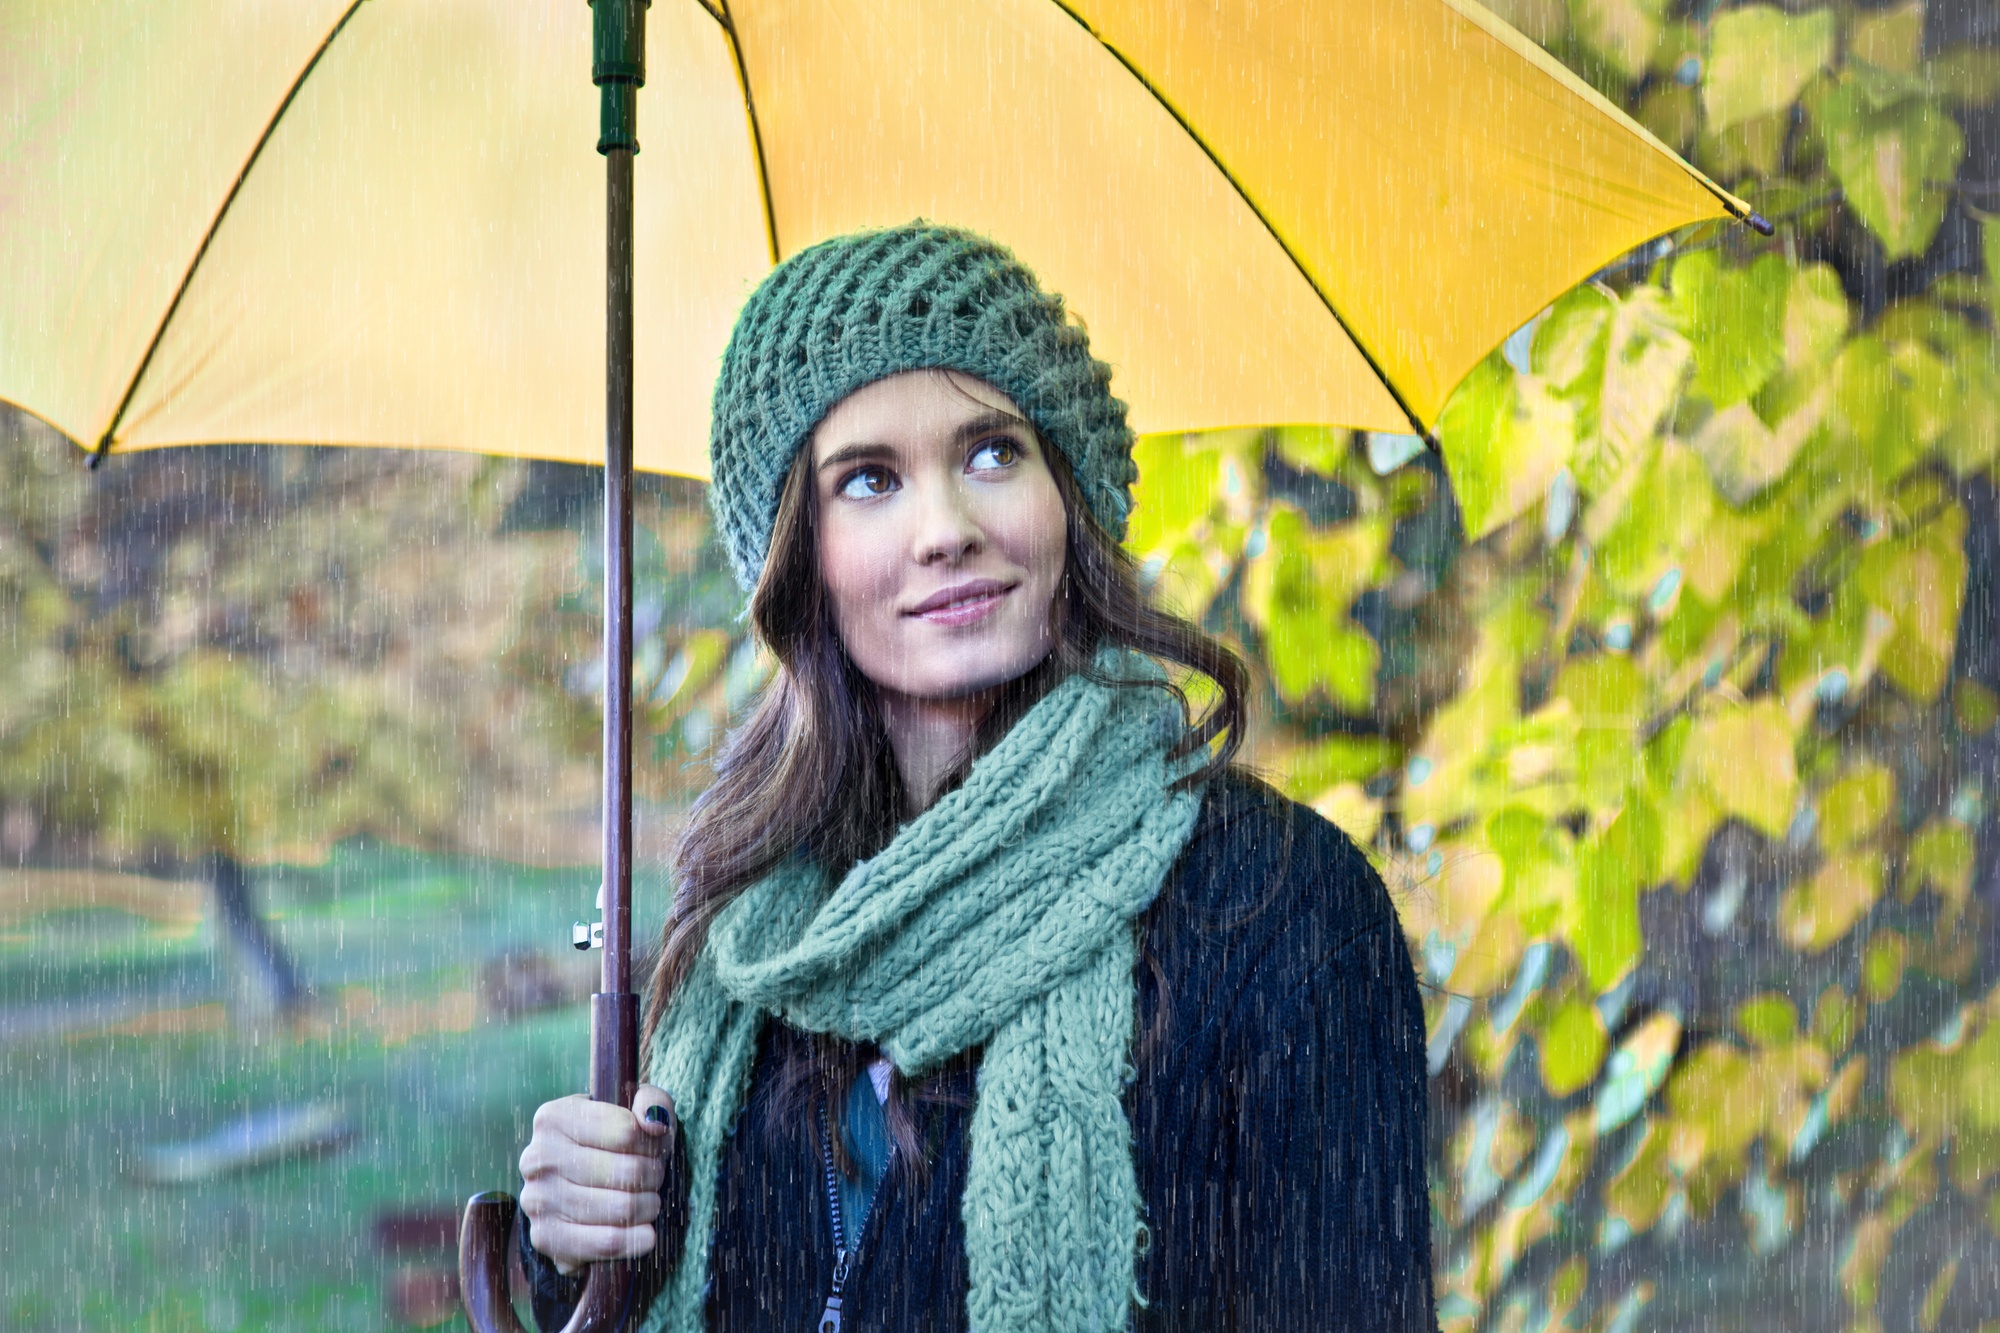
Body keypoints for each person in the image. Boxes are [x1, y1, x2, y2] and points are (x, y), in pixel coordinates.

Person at [514, 223, 1436, 1332]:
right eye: (867, 480)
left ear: (1067, 495)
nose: (944, 529)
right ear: (798, 560)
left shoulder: (1277, 905)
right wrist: (574, 1248)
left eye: (991, 453)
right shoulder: (747, 950)